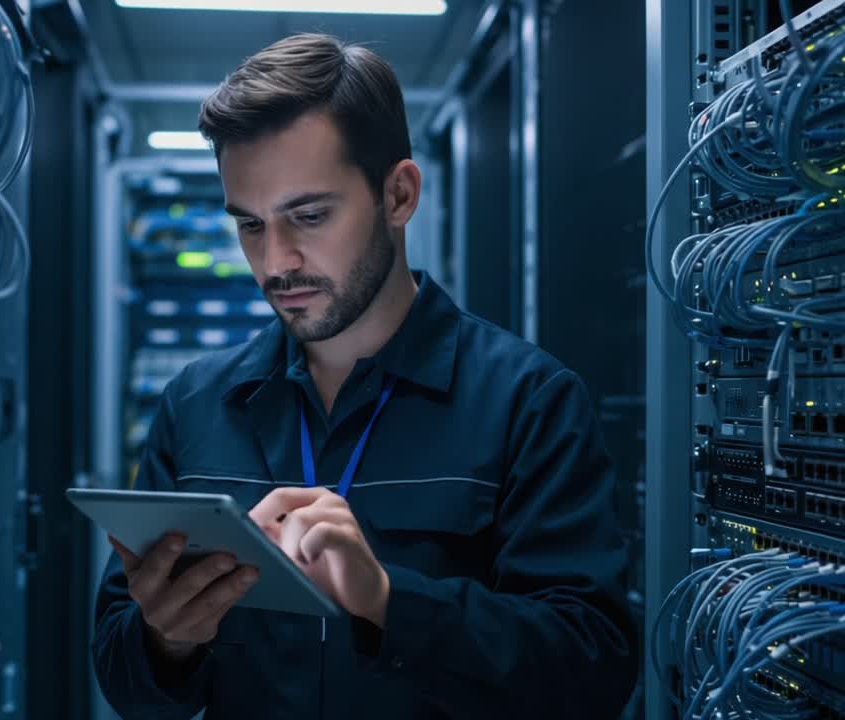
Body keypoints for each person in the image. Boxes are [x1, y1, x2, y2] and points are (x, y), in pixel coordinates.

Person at [92, 33, 636, 720]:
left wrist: (387, 600)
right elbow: (124, 682)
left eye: (309, 215)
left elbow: (592, 673)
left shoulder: (527, 402)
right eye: (250, 225)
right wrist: (167, 640)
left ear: (399, 194)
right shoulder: (197, 405)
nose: (275, 262)